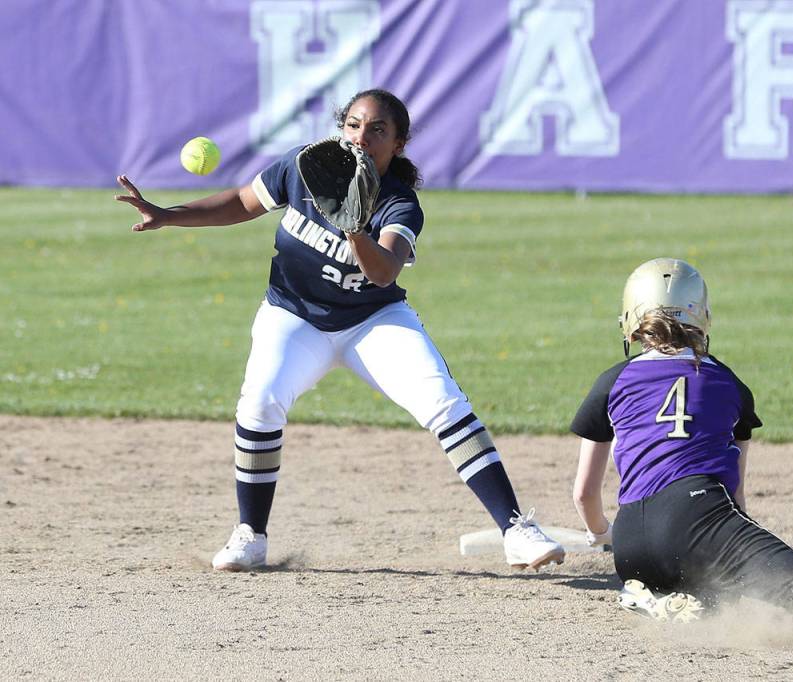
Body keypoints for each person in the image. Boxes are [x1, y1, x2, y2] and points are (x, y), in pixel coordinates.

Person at [115, 88, 565, 572]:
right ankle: (250, 534)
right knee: (261, 400)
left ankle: (516, 530)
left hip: (373, 320)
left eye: (377, 130)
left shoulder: (399, 203)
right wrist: (169, 215)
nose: (362, 137)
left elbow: (383, 271)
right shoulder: (306, 167)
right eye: (353, 124)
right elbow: (243, 202)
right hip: (294, 315)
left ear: (398, 143)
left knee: (443, 402)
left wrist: (353, 225)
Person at [570, 257, 793, 635]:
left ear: (631, 318)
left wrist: (603, 534)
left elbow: (583, 494)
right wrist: (739, 544)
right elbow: (735, 498)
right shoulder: (728, 383)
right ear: (702, 316)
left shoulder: (612, 381)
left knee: (711, 598)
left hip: (630, 545)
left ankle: (650, 598)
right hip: (698, 513)